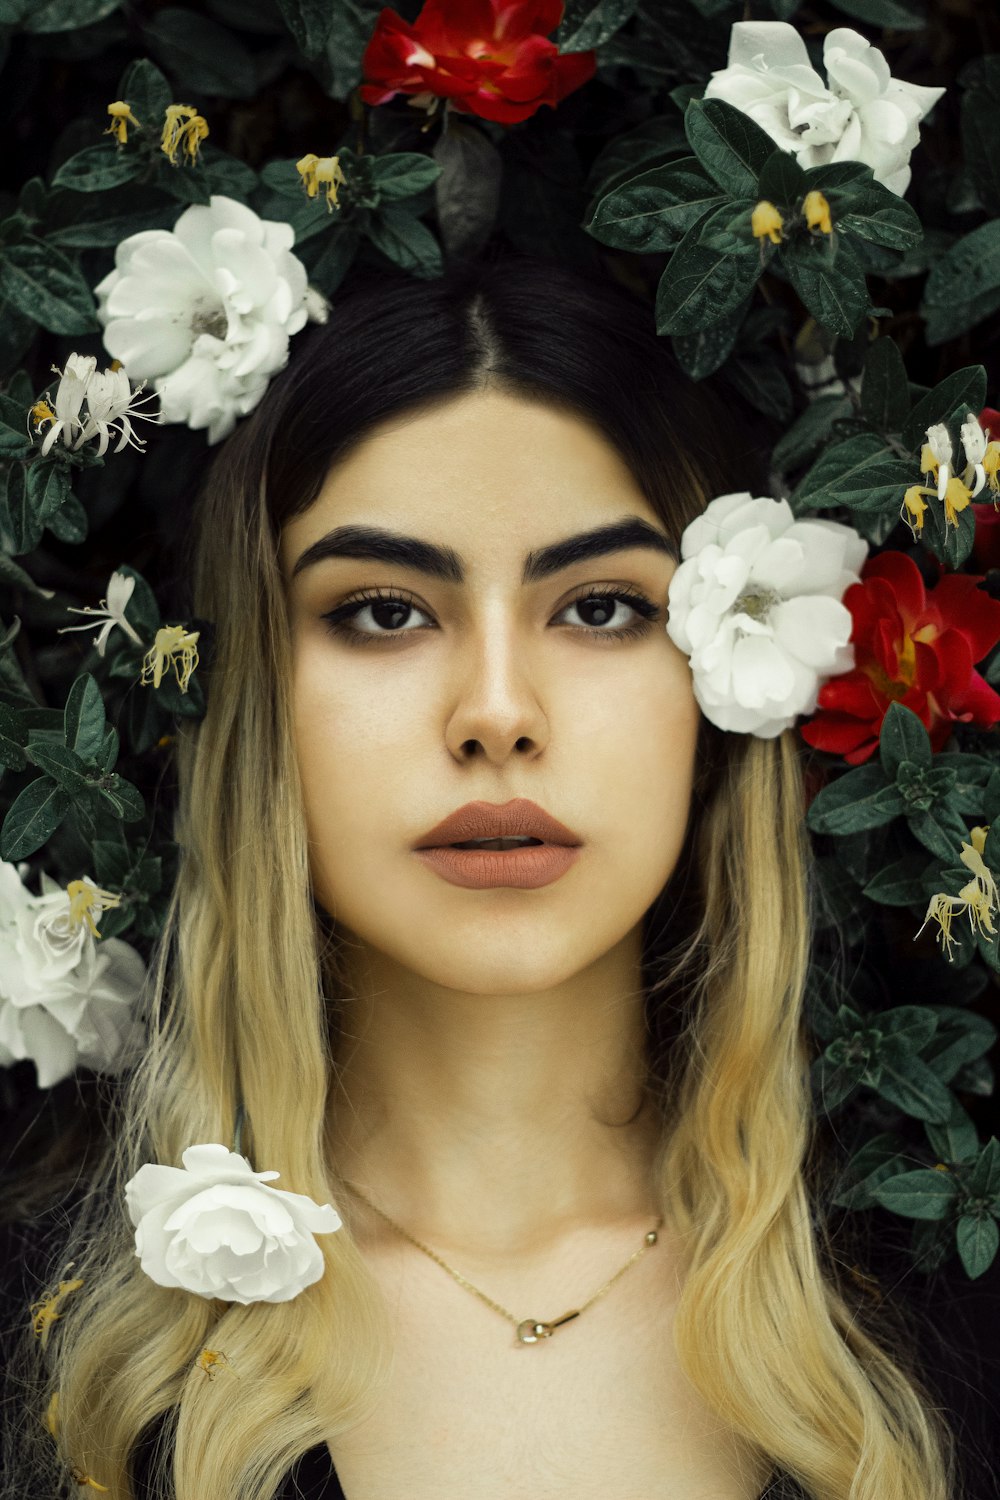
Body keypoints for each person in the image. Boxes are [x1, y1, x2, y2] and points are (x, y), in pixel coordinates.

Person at [1, 252, 995, 1500]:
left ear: (726, 687)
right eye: (380, 611)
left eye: (596, 609)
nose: (496, 713)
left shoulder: (947, 1319)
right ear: (252, 694)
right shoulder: (51, 1336)